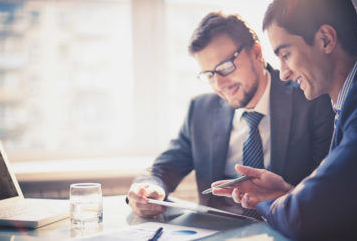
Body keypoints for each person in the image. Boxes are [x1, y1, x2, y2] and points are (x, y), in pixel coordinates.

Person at [126, 12, 334, 219]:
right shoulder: (201, 110)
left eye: (225, 67)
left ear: (256, 53)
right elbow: (162, 168)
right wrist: (147, 188)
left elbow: (326, 192)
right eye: (209, 75)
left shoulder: (310, 99)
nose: (219, 84)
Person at [212, 0, 357, 239]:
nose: (283, 74)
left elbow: (302, 216)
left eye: (285, 55)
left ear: (326, 39)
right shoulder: (354, 97)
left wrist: (266, 202)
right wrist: (288, 192)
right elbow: (340, 206)